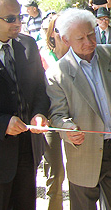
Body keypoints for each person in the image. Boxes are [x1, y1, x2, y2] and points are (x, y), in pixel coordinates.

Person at [45, 8, 111, 210]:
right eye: (80, 38)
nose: (89, 42)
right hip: (83, 153)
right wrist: (67, 129)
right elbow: (56, 115)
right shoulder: (57, 73)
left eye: (91, 34)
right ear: (66, 40)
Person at [0, 0, 50, 210]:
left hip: (27, 151)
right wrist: (3, 123)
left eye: (19, 16)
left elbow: (40, 88)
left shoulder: (28, 45)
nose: (18, 23)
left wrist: (39, 113)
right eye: (11, 19)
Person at [39, 13, 69, 210]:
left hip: (73, 119)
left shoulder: (77, 57)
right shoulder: (40, 56)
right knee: (56, 172)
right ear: (52, 35)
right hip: (49, 121)